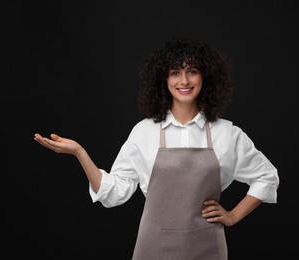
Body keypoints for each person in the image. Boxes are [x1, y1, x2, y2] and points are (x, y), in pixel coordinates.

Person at [34, 37, 279, 260]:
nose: (184, 81)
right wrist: (80, 153)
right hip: (153, 247)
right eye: (175, 73)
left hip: (208, 247)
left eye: (192, 71)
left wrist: (233, 216)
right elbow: (113, 193)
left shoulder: (227, 133)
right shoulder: (144, 132)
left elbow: (267, 177)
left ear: (206, 77)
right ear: (164, 79)